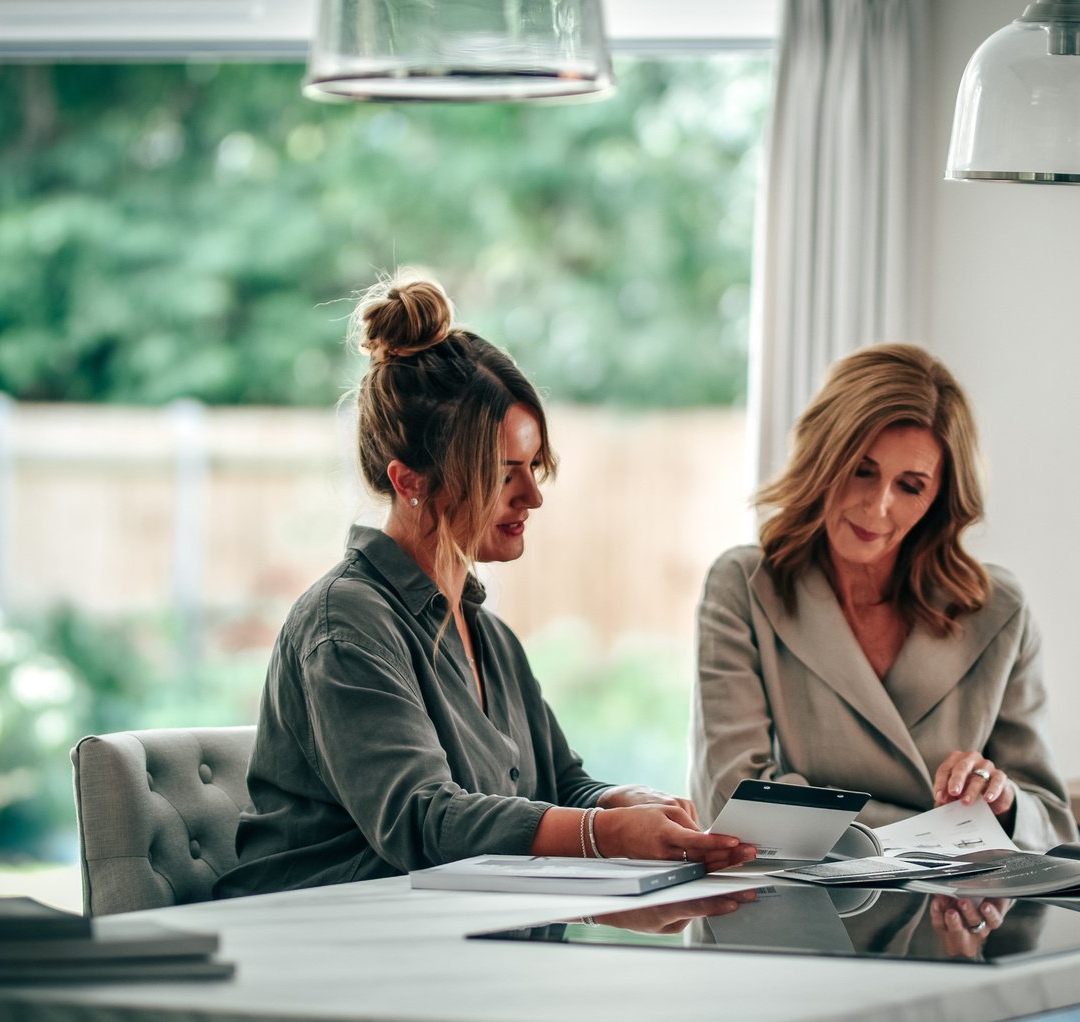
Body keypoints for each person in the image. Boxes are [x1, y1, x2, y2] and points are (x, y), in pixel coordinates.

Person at [217, 271, 753, 899]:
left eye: (533, 467)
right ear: (410, 481)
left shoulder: (489, 636)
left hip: (457, 930)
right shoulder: (345, 627)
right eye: (503, 474)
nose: (532, 496)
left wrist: (619, 801)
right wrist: (604, 834)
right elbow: (423, 823)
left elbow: (560, 787)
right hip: (331, 934)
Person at [688, 342, 1076, 859]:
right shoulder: (745, 586)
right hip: (794, 902)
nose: (877, 506)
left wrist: (1002, 804)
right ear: (823, 457)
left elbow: (1053, 828)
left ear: (940, 498)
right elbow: (734, 806)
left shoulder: (998, 611)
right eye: (862, 470)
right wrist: (953, 831)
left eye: (910, 486)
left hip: (953, 906)